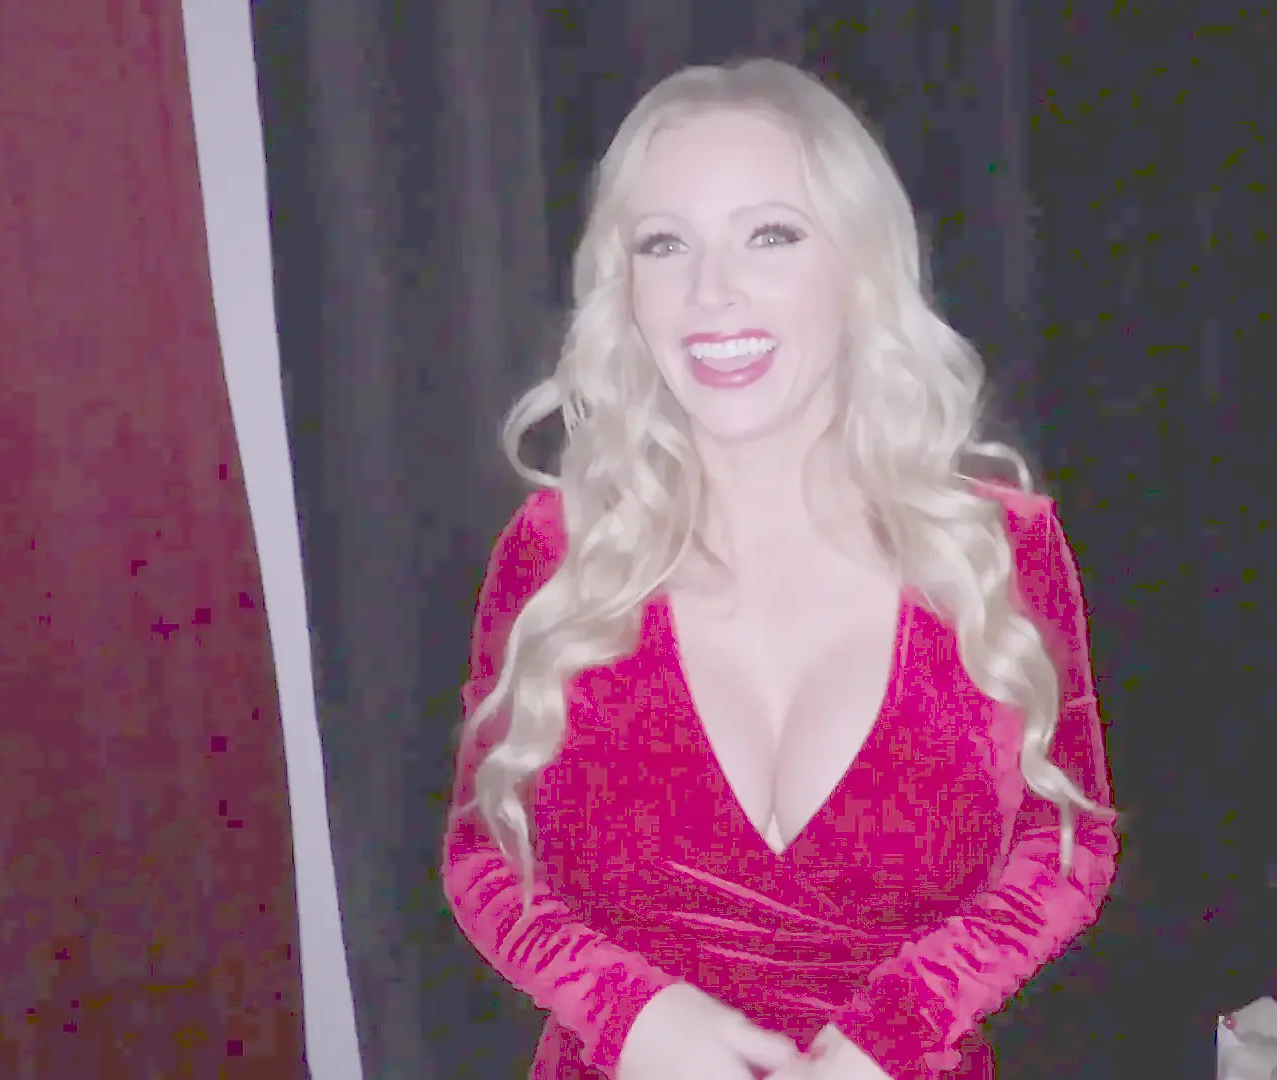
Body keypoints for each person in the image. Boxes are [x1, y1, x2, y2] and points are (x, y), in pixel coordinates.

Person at [443, 58, 1119, 1080]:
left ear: (859, 265)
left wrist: (899, 1029)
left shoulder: (996, 549)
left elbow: (1066, 847)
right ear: (624, 292)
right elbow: (483, 856)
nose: (712, 292)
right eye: (664, 244)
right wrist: (628, 1013)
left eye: (771, 234)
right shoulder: (558, 553)